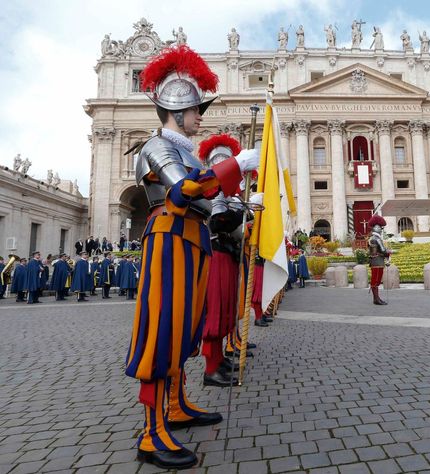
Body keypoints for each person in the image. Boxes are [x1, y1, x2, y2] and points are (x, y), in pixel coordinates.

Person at [125, 44, 259, 469]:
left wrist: (236, 202)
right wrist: (232, 166)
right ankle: (151, 432)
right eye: (195, 109)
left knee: (186, 330)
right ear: (175, 111)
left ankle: (177, 406)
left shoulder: (185, 149)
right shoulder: (156, 146)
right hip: (169, 237)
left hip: (194, 241)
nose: (200, 116)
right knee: (163, 330)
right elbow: (183, 192)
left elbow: (209, 203)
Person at [198, 133, 249, 388]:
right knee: (217, 309)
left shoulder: (228, 191)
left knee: (227, 307)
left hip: (229, 249)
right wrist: (242, 211)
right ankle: (211, 367)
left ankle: (218, 359)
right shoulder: (215, 191)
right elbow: (217, 221)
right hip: (217, 249)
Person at [367, 215, 391, 305]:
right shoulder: (376, 239)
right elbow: (383, 250)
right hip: (377, 261)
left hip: (376, 260)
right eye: (381, 228)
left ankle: (376, 298)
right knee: (376, 280)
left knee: (376, 280)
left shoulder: (373, 238)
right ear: (377, 228)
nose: (381, 230)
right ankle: (376, 299)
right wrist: (390, 252)